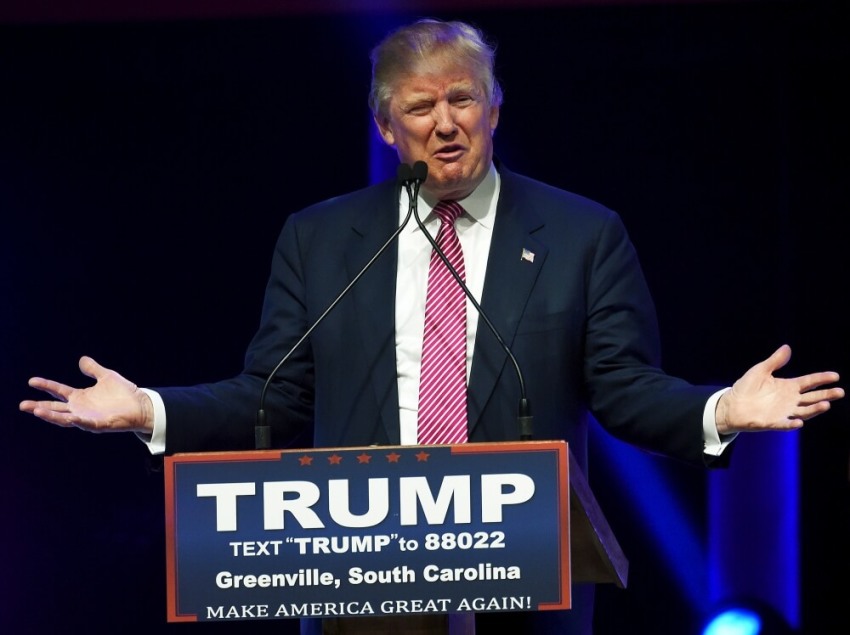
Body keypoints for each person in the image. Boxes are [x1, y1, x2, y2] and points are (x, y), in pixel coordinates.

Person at [19, 18, 844, 635]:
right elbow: (270, 396)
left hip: (524, 590)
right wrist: (150, 409)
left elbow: (625, 390)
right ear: (388, 127)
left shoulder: (582, 235)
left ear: (494, 108)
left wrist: (721, 409)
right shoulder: (321, 239)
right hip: (359, 588)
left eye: (463, 99)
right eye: (421, 106)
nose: (445, 122)